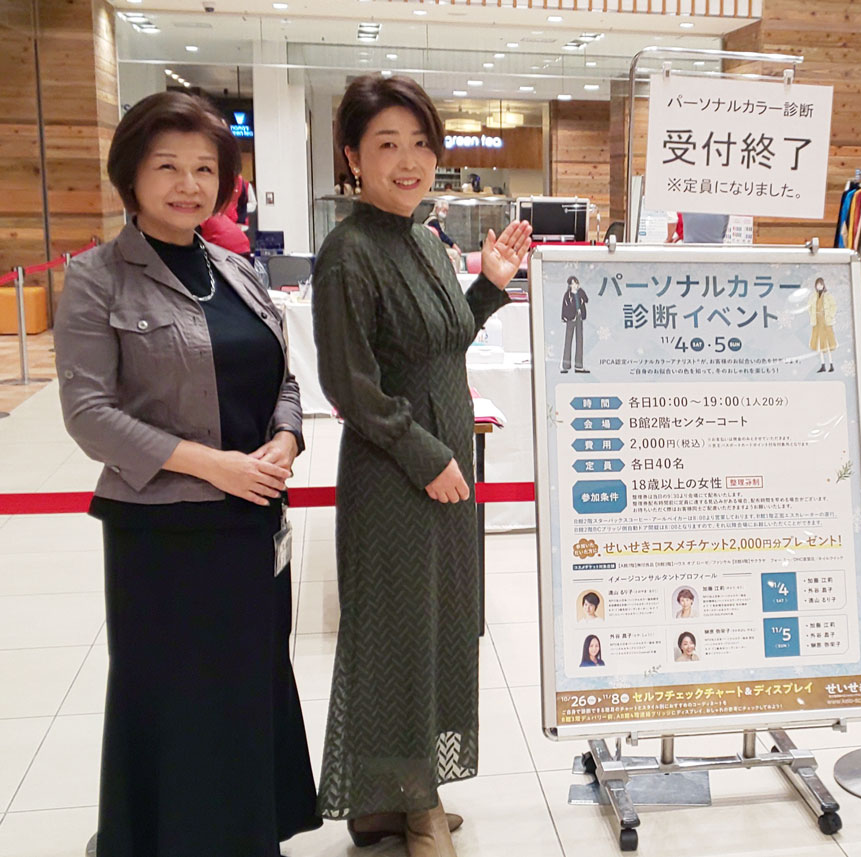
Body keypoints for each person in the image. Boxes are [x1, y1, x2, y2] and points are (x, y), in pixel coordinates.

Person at [54, 90, 319, 857]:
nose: (188, 184)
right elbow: (88, 414)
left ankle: (248, 837)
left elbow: (283, 377)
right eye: (167, 166)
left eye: (205, 169)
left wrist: (285, 439)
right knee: (173, 700)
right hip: (163, 535)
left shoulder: (237, 270)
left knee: (248, 688)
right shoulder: (97, 278)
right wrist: (216, 467)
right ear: (130, 175)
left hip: (252, 523)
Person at [312, 74, 532, 857]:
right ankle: (415, 805)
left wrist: (489, 288)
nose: (409, 161)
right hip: (395, 473)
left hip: (444, 466)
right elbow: (350, 384)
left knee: (438, 628)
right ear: (352, 157)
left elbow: (445, 339)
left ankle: (391, 797)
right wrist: (425, 453)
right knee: (395, 638)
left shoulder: (427, 239)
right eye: (387, 145)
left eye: (420, 143)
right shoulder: (348, 253)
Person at [560, 275, 589, 374]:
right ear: (570, 285)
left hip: (579, 317)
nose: (575, 285)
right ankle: (565, 366)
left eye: (576, 283)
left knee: (579, 340)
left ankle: (579, 366)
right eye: (573, 283)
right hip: (570, 318)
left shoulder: (580, 293)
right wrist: (564, 317)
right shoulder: (567, 295)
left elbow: (586, 300)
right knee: (568, 341)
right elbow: (564, 307)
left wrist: (581, 292)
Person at [809, 277, 838, 373]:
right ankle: (823, 365)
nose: (819, 286)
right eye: (817, 285)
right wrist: (812, 315)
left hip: (826, 322)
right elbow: (810, 307)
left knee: (828, 344)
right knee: (819, 345)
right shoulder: (813, 296)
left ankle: (831, 364)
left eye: (821, 284)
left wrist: (830, 315)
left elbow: (834, 306)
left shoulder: (828, 296)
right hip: (817, 323)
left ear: (823, 285)